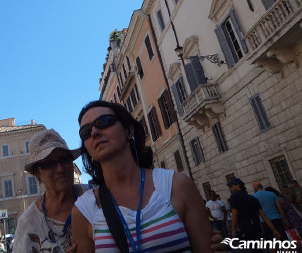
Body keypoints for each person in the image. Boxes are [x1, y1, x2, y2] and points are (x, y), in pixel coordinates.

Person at [71, 100, 212, 252]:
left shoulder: (177, 185)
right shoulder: (83, 211)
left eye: (103, 122)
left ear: (128, 130)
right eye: (85, 131)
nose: (94, 132)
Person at [12, 128, 86, 253]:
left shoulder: (97, 197)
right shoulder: (27, 224)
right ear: (38, 175)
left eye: (64, 159)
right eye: (49, 164)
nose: (60, 169)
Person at [228, 178, 281, 246]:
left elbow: (234, 214)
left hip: (246, 228)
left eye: (231, 186)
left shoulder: (234, 197)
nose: (231, 188)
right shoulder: (252, 198)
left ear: (237, 185)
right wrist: (273, 229)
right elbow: (263, 215)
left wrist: (233, 229)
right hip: (257, 227)